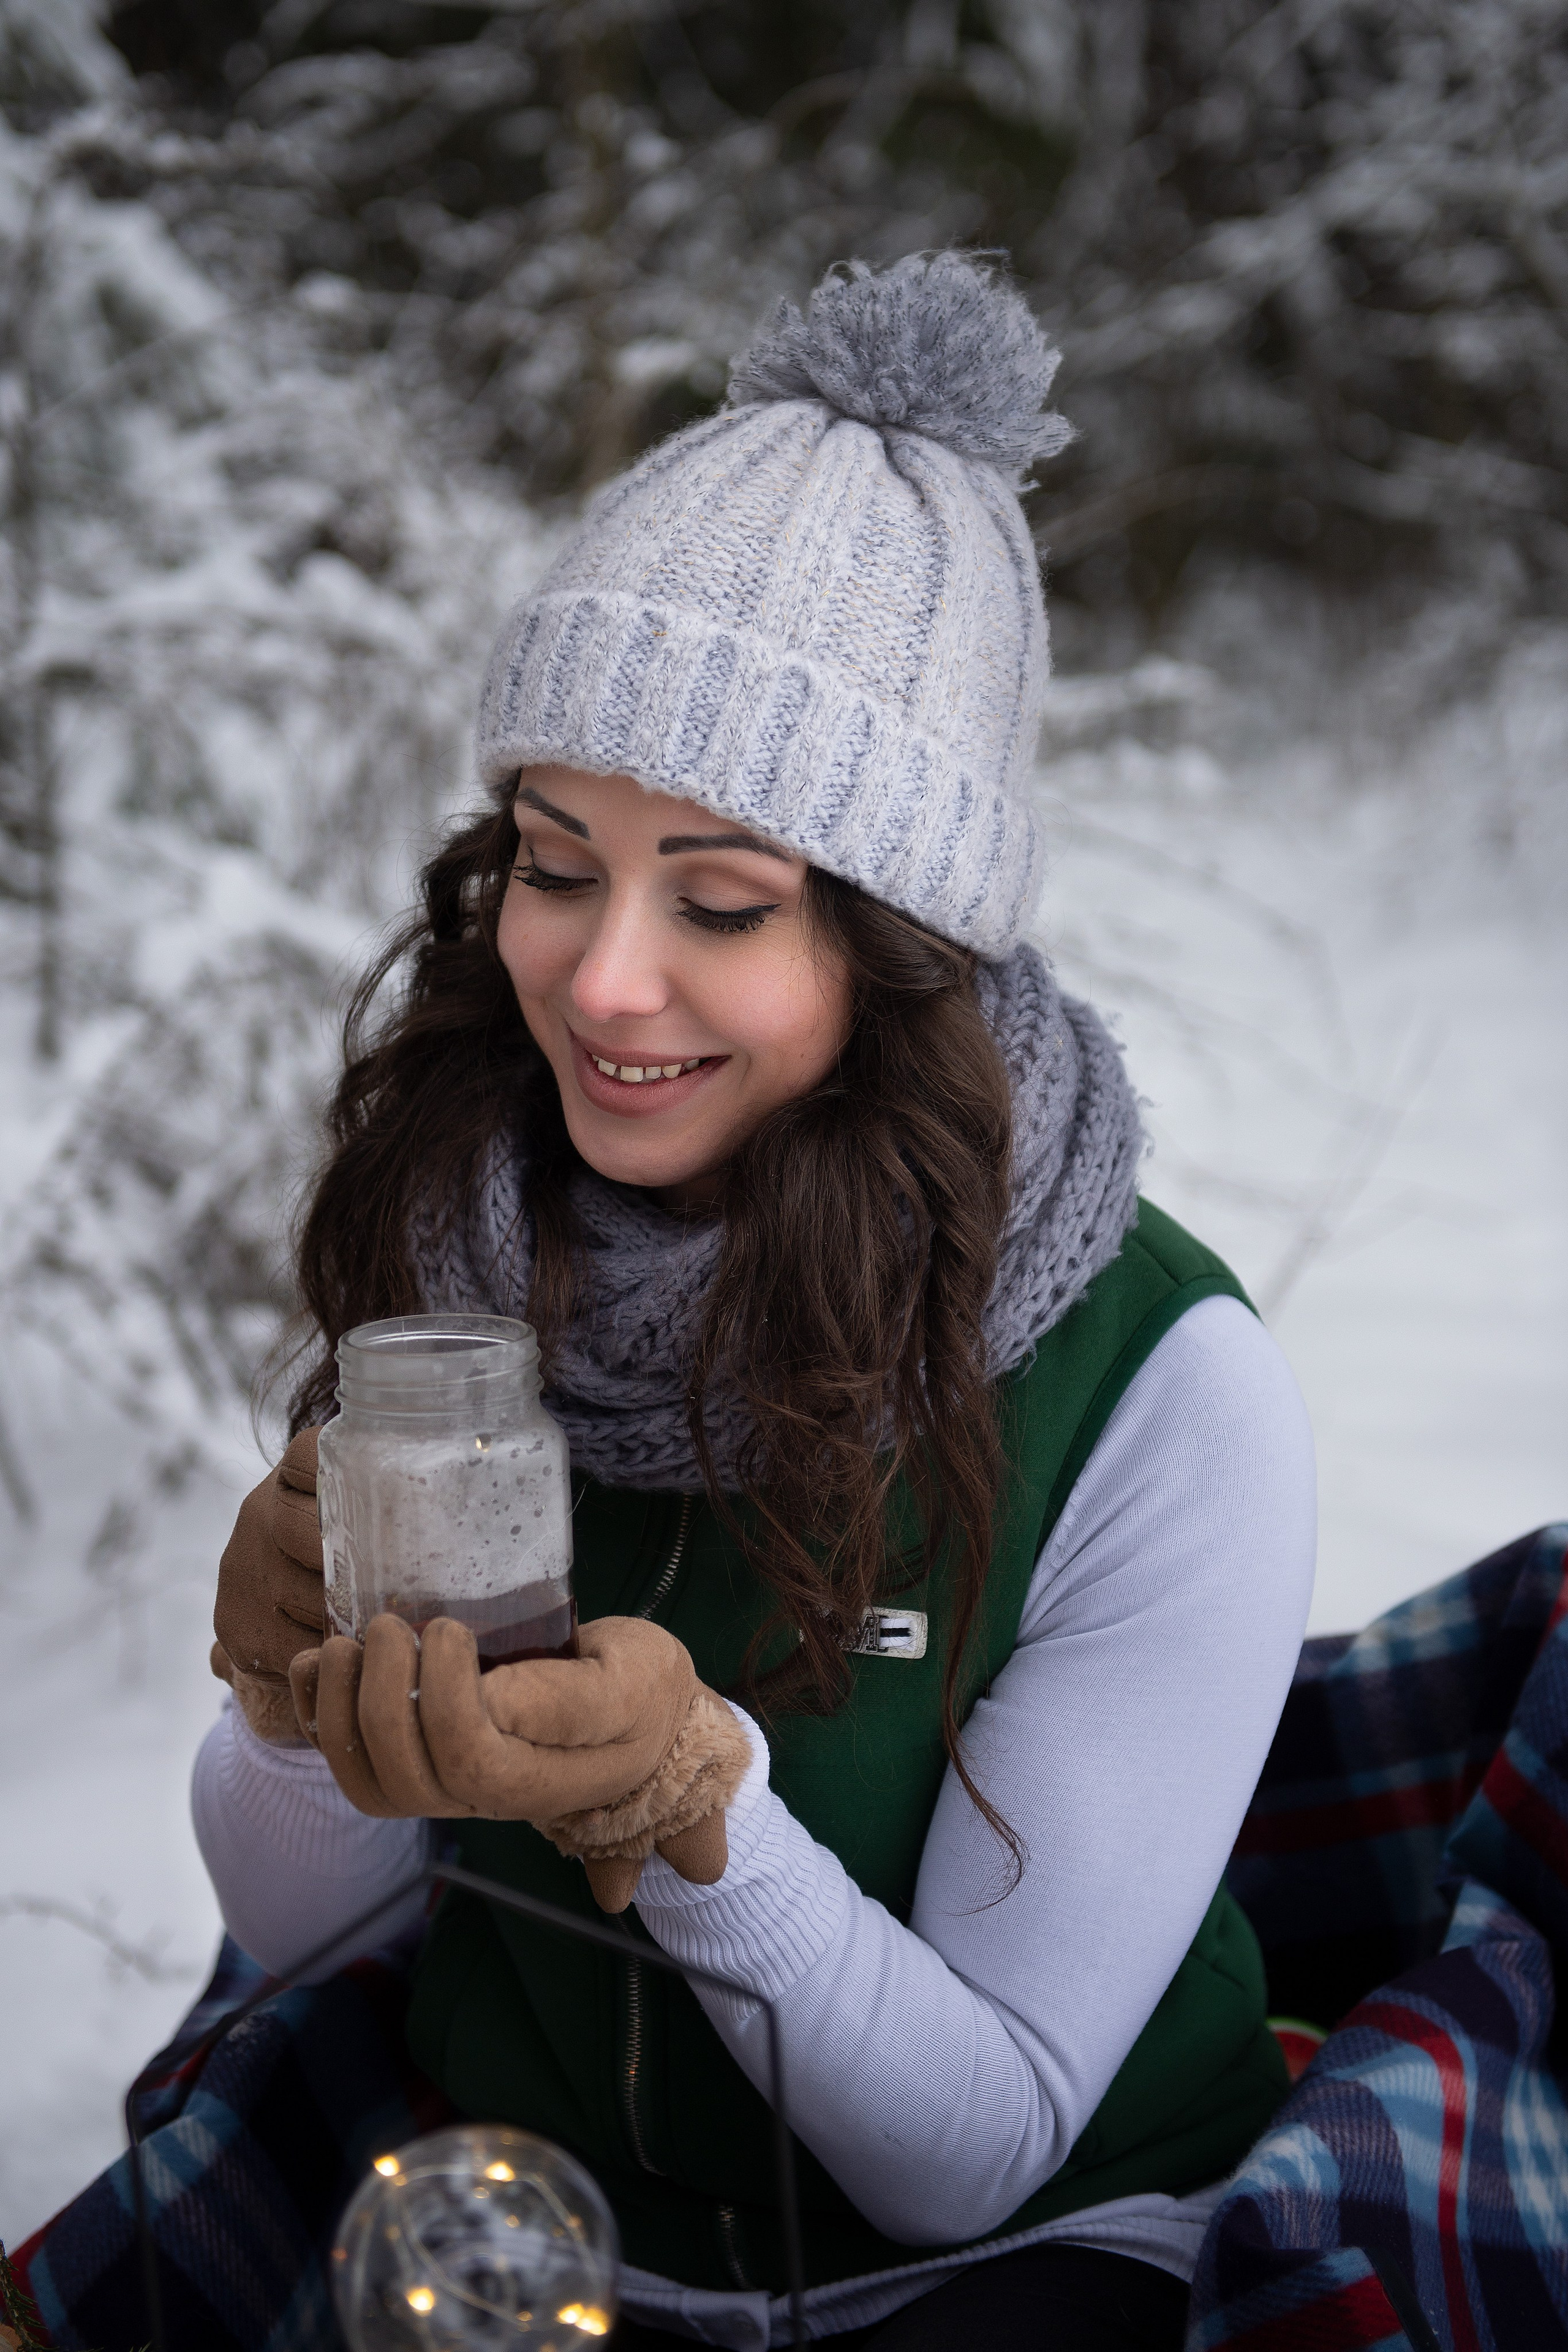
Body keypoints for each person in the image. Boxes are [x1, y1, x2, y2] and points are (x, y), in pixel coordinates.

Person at [197, 252, 1316, 2350]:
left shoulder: (1161, 1391)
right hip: (542, 2250)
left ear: (906, 949)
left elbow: (981, 2140)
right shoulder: (462, 1260)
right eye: (553, 861)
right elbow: (299, 1937)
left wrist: (701, 1812)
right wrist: (285, 1715)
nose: (602, 981)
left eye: (721, 901)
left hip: (1030, 2274)